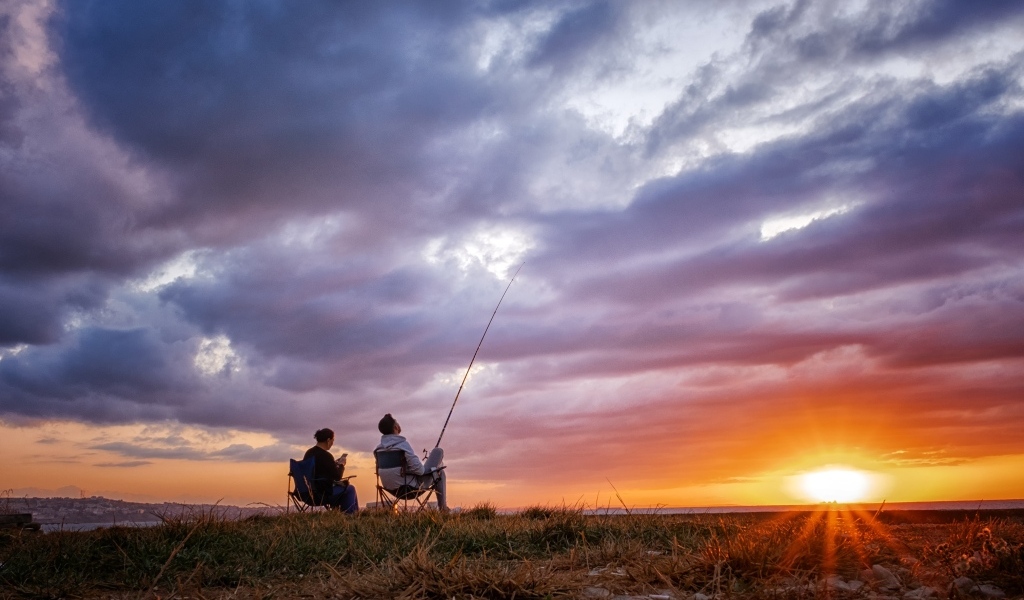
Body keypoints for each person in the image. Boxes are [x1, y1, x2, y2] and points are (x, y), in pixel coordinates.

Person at [374, 413, 448, 511]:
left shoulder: (378, 450)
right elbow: (420, 471)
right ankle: (443, 509)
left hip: (390, 489)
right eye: (396, 421)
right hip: (410, 488)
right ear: (395, 427)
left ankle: (437, 471)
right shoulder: (402, 445)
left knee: (438, 471)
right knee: (438, 452)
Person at [303, 428, 358, 514]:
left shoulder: (309, 453)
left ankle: (340, 514)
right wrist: (341, 465)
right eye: (333, 440)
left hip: (306, 493)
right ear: (328, 440)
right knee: (350, 489)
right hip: (321, 494)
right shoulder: (326, 456)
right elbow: (337, 476)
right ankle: (350, 515)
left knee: (342, 490)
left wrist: (333, 464)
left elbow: (319, 469)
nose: (332, 443)